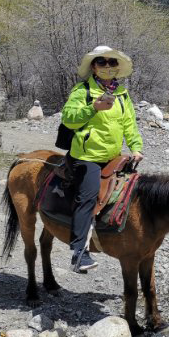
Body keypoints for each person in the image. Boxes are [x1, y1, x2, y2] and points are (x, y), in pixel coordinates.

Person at [61, 46, 144, 272]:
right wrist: (93, 108)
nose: (108, 66)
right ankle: (79, 253)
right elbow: (69, 119)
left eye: (112, 62)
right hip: (87, 156)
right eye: (102, 62)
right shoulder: (82, 91)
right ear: (94, 67)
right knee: (87, 196)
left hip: (113, 156)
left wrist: (136, 147)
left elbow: (129, 124)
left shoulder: (122, 94)